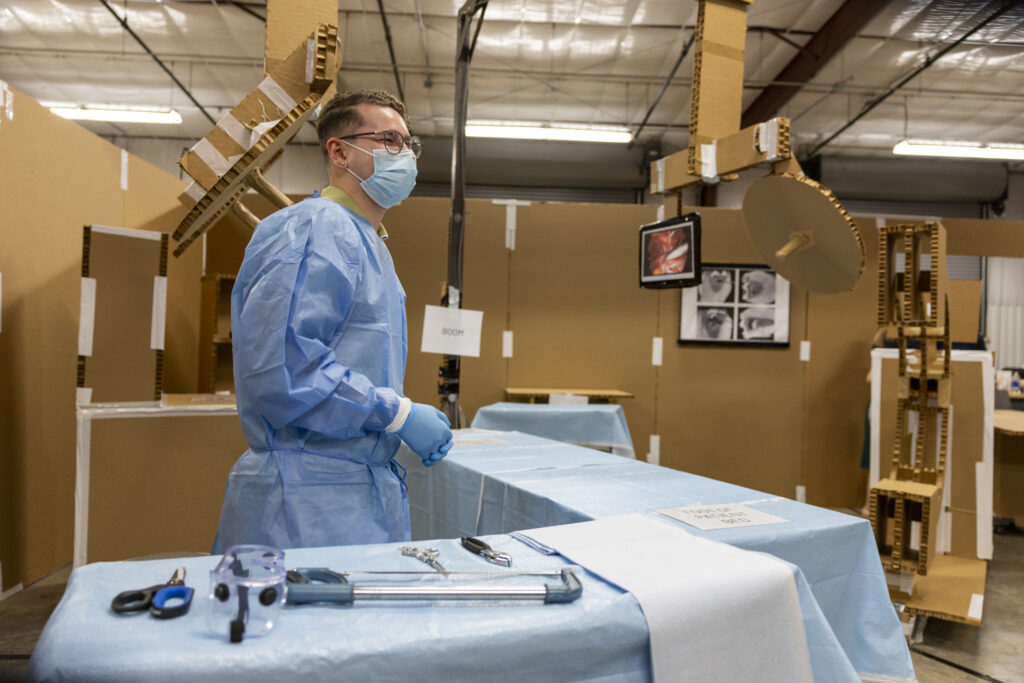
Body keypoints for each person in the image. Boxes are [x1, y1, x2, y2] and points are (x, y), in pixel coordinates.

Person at [213, 89, 453, 552]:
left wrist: (392, 421)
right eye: (388, 140)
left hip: (349, 493)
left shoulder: (369, 243)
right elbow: (283, 369)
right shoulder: (313, 228)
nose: (404, 154)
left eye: (408, 144)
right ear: (339, 151)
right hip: (304, 501)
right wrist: (397, 413)